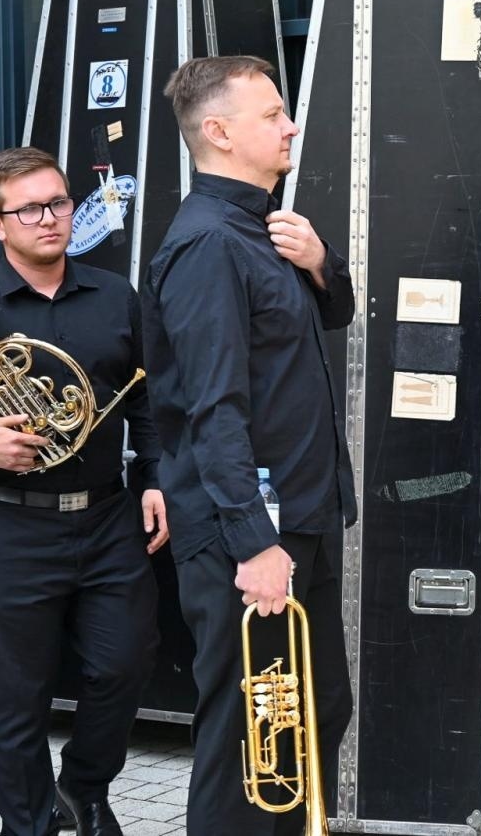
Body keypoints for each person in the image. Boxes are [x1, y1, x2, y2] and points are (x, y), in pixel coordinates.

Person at [0, 147, 168, 836]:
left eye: (59, 202)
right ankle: (28, 825)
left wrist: (155, 477)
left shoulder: (115, 296)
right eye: (31, 209)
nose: (50, 219)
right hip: (5, 522)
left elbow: (146, 398)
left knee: (124, 665)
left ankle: (84, 787)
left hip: (106, 516)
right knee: (16, 696)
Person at [143, 55, 355, 836]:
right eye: (272, 115)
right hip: (252, 533)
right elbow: (213, 410)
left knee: (313, 714)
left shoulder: (264, 229)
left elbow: (332, 315)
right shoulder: (207, 245)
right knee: (248, 743)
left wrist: (320, 263)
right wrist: (254, 541)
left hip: (299, 515)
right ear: (220, 132)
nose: (290, 126)